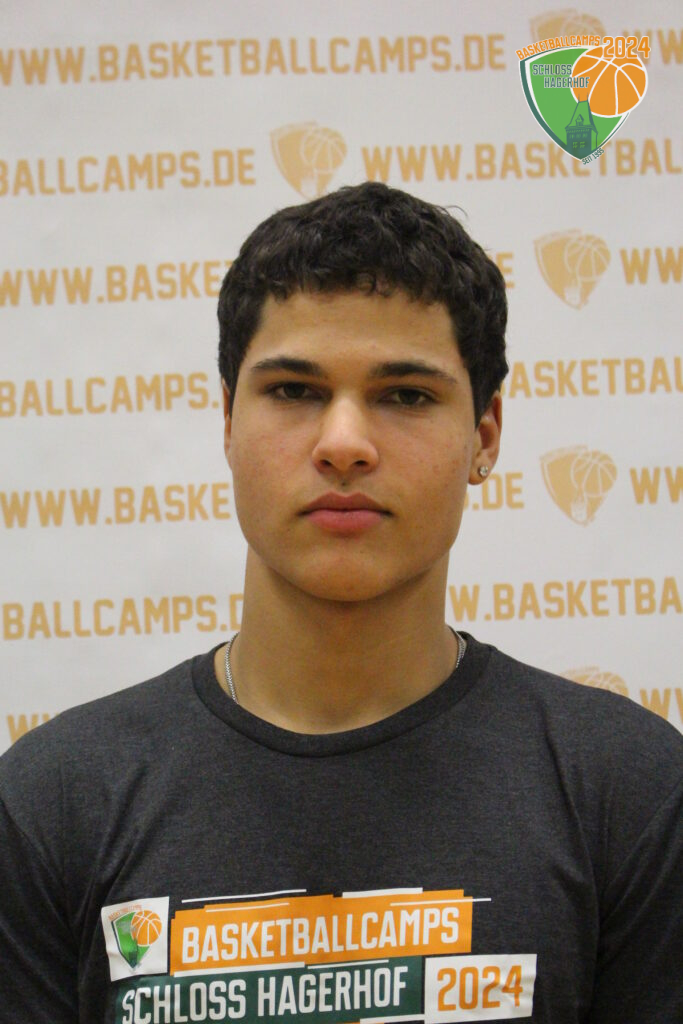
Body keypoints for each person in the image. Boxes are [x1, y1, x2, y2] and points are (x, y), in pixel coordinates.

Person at [0, 181, 680, 1024]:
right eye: (294, 390)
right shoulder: (55, 802)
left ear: (485, 436)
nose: (344, 444)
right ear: (226, 422)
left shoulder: (628, 792)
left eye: (406, 395)